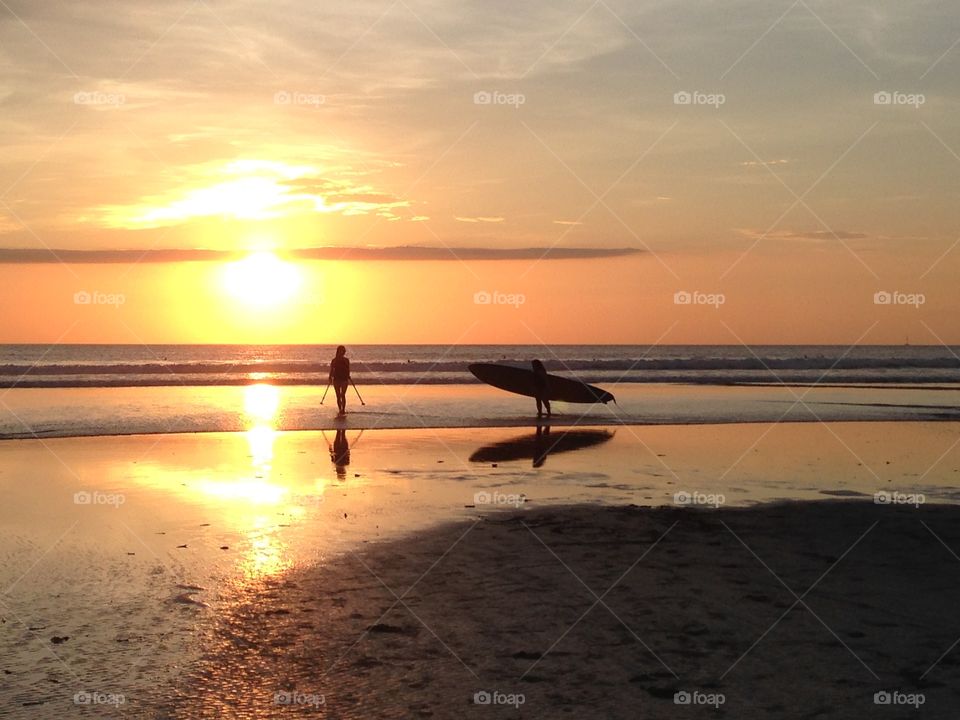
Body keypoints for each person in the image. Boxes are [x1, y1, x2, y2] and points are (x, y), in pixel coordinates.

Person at [329, 345, 351, 415]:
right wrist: (330, 377)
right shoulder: (334, 360)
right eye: (340, 351)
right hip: (336, 379)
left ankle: (343, 409)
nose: (342, 352)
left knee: (343, 394)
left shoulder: (346, 360)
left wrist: (348, 375)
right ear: (338, 351)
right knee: (338, 395)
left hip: (344, 379)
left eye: (343, 351)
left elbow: (348, 369)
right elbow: (332, 369)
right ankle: (340, 409)